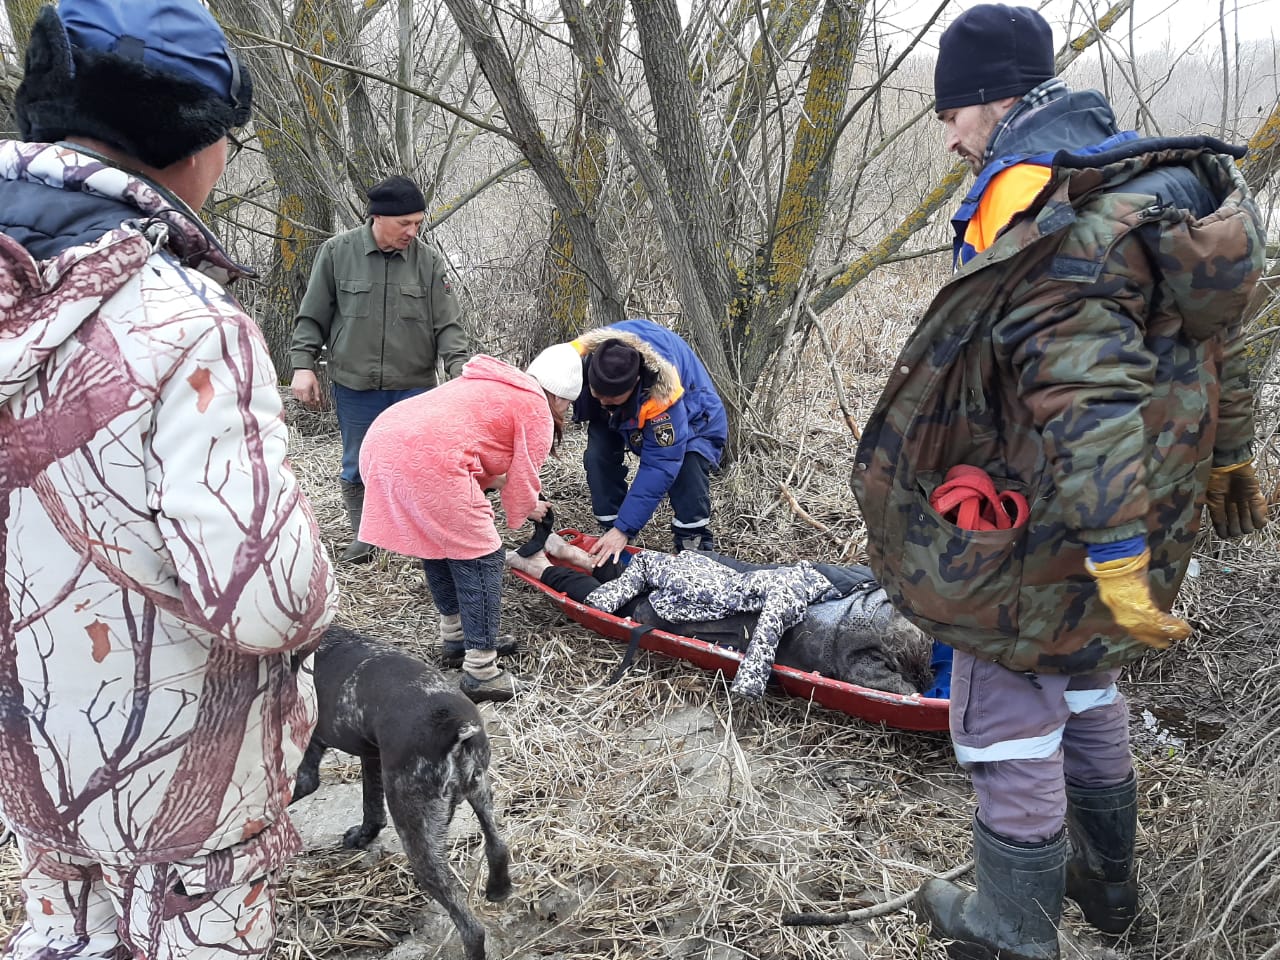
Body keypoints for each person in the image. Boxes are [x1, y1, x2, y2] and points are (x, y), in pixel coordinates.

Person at [850, 6, 1268, 958]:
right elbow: (1223, 343)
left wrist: (1111, 545)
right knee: (1087, 684)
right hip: (1137, 506)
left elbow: (1085, 399)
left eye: (952, 110)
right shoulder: (1161, 186)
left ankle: (1011, 929)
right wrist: (1229, 457)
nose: (948, 132)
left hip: (1056, 519)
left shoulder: (1059, 215)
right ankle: (1105, 884)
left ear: (996, 100)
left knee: (1005, 712)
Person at [0, 2, 339, 958]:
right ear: (193, 148)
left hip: (27, 757)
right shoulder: (184, 323)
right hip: (174, 775)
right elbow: (271, 601)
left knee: (59, 930)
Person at [357, 344, 584, 702]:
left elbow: (470, 447)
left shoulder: (493, 383)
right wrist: (529, 507)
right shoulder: (536, 407)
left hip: (384, 444)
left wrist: (511, 492)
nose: (565, 411)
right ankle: (481, 672)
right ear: (558, 396)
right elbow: (524, 480)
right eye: (568, 404)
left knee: (437, 542)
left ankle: (457, 637)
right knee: (484, 556)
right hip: (427, 462)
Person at [289, 174, 470, 563]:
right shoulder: (338, 252)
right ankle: (365, 537)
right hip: (355, 384)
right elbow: (312, 317)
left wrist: (461, 371)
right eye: (405, 223)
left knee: (419, 464)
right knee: (358, 462)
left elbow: (448, 326)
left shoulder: (428, 262)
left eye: (418, 222)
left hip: (414, 386)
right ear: (378, 218)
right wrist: (302, 365)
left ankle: (420, 539)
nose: (413, 231)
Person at [506, 536, 938, 699]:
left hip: (716, 588)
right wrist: (749, 683)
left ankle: (573, 557)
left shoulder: (883, 601)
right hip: (705, 608)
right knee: (616, 604)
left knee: (640, 583)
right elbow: (901, 698)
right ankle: (543, 567)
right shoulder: (863, 652)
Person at [570, 318, 729, 564]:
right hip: (627, 404)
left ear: (634, 385)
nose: (602, 402)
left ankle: (693, 541)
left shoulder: (663, 395)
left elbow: (659, 466)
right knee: (597, 455)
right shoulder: (582, 364)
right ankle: (609, 536)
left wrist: (626, 528)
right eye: (597, 395)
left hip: (695, 414)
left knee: (688, 464)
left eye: (610, 399)